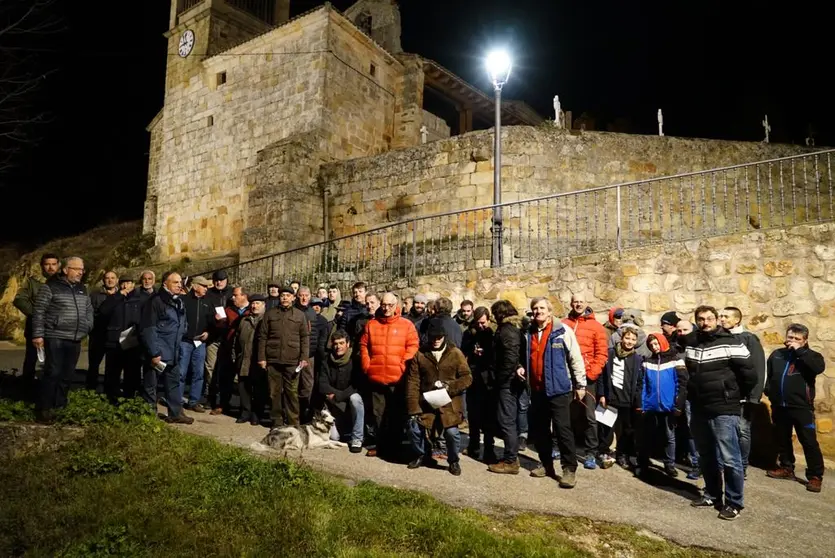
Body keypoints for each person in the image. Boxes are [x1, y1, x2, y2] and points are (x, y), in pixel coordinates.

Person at [682, 305, 756, 521]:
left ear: (717, 320)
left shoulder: (733, 342)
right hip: (699, 407)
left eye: (710, 319)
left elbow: (749, 374)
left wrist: (731, 393)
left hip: (724, 407)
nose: (706, 323)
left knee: (730, 457)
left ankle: (734, 503)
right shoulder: (693, 343)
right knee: (706, 455)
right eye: (701, 319)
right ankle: (712, 495)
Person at [524, 297, 586, 488]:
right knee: (541, 430)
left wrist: (580, 384)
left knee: (562, 429)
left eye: (542, 308)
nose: (538, 311)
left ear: (550, 311)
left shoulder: (562, 331)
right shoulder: (528, 332)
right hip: (537, 389)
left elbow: (575, 358)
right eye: (535, 308)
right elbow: (523, 356)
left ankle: (569, 469)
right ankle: (546, 464)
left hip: (559, 389)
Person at [31, 257, 94, 422]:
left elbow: (88, 310)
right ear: (66, 270)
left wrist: (87, 326)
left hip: (75, 338)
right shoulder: (50, 287)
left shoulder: (82, 288)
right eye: (77, 269)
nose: (81, 272)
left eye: (82, 269)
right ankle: (45, 408)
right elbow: (39, 312)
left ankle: (60, 407)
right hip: (55, 336)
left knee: (67, 375)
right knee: (53, 372)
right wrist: (38, 335)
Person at [765, 324, 826, 493]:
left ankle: (815, 476)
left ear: (805, 340)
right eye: (790, 337)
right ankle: (786, 468)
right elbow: (769, 375)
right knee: (782, 438)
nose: (792, 341)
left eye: (797, 339)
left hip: (801, 406)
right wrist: (768, 391)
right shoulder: (778, 354)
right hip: (780, 405)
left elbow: (817, 368)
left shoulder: (812, 356)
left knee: (809, 441)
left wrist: (800, 351)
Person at [406, 318, 472, 475]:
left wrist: (450, 386)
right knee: (413, 426)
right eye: (432, 337)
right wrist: (413, 408)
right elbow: (413, 382)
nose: (435, 341)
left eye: (439, 337)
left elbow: (467, 377)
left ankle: (453, 460)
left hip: (449, 404)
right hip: (426, 403)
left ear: (444, 337)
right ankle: (421, 454)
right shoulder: (420, 354)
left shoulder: (455, 353)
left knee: (452, 433)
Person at [359, 292, 419, 458]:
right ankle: (381, 447)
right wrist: (367, 365)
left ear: (396, 305)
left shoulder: (407, 325)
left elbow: (413, 346)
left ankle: (395, 448)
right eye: (384, 305)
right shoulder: (371, 324)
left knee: (396, 415)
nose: (386, 308)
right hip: (376, 376)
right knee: (378, 415)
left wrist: (402, 364)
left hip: (397, 378)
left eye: (390, 305)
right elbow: (363, 345)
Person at [562, 293, 608, 470]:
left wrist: (592, 373)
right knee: (565, 414)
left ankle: (590, 452)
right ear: (571, 303)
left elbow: (602, 353)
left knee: (590, 416)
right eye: (575, 302)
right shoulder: (565, 324)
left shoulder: (596, 326)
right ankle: (563, 447)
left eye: (581, 301)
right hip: (567, 376)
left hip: (588, 376)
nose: (578, 304)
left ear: (586, 303)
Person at [719, 306, 766, 478]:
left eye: (726, 316)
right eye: (721, 316)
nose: (721, 319)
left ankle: (742, 466)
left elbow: (759, 368)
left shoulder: (749, 339)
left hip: (743, 396)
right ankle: (726, 464)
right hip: (723, 395)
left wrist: (754, 395)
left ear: (737, 320)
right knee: (724, 430)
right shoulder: (719, 337)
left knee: (742, 430)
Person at [140, 271, 193, 424]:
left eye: (180, 282)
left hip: (174, 351)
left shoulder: (178, 301)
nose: (179, 285)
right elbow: (148, 329)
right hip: (158, 353)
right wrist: (154, 352)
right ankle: (149, 415)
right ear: (165, 284)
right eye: (175, 282)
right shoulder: (155, 301)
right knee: (151, 384)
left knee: (173, 383)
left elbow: (181, 322)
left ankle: (175, 413)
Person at [635, 333, 687, 478]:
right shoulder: (647, 362)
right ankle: (642, 463)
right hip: (650, 406)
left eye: (656, 344)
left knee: (669, 436)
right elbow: (642, 384)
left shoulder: (676, 361)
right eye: (651, 345)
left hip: (669, 406)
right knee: (646, 436)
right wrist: (641, 404)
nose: (654, 347)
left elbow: (682, 385)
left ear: (663, 343)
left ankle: (669, 464)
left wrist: (678, 405)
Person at [256, 286, 309, 427]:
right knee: (274, 393)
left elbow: (305, 337)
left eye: (288, 295)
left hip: (293, 361)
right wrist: (262, 357)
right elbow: (262, 337)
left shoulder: (299, 315)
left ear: (293, 297)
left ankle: (293, 423)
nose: (285, 298)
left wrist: (304, 358)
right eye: (282, 295)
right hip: (273, 360)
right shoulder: (270, 314)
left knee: (292, 393)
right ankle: (277, 421)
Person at [486, 300, 525, 474]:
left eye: (495, 314)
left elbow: (510, 358)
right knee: (507, 419)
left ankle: (511, 460)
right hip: (508, 381)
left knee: (507, 420)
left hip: (507, 383)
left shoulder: (508, 331)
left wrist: (500, 380)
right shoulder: (512, 329)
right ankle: (510, 456)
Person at [13, 253, 59, 395]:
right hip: (35, 328)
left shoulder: (63, 282)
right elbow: (19, 300)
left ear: (58, 265)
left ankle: (51, 391)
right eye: (47, 264)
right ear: (42, 266)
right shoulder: (33, 282)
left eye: (53, 264)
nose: (50, 267)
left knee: (55, 361)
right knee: (31, 360)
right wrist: (37, 314)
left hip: (56, 329)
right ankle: (26, 391)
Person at [598, 328, 643, 469]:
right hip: (611, 399)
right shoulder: (610, 353)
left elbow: (639, 381)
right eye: (627, 338)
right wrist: (602, 394)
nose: (629, 342)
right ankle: (604, 452)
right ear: (621, 338)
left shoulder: (638, 359)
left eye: (633, 339)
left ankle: (622, 454)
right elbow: (602, 376)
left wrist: (637, 400)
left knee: (627, 430)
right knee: (607, 428)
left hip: (628, 401)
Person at [98, 276, 144, 403]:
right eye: (123, 283)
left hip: (132, 340)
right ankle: (111, 398)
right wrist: (119, 296)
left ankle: (130, 397)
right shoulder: (113, 298)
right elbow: (103, 311)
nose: (126, 286)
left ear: (133, 284)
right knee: (112, 372)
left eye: (128, 282)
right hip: (114, 340)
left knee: (132, 372)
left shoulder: (139, 299)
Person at [319, 329, 365, 452]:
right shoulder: (326, 361)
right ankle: (345, 431)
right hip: (333, 402)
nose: (338, 347)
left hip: (346, 400)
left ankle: (357, 438)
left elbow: (357, 384)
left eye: (341, 343)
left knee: (356, 398)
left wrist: (338, 396)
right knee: (335, 437)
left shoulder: (355, 361)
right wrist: (335, 397)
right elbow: (322, 384)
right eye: (335, 343)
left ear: (348, 344)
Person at [461, 306, 496, 462]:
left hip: (488, 381)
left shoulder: (493, 334)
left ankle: (489, 450)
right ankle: (474, 446)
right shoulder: (469, 333)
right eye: (478, 323)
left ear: (488, 320)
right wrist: (471, 354)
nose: (481, 326)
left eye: (483, 322)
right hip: (474, 379)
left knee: (488, 419)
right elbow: (463, 353)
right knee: (473, 416)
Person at [178, 275, 215, 412]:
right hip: (185, 341)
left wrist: (208, 332)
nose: (206, 289)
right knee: (181, 372)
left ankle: (194, 401)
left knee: (198, 373)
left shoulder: (208, 301)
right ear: (195, 286)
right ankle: (178, 401)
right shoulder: (183, 300)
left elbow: (212, 321)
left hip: (200, 342)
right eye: (203, 286)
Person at [234, 293, 267, 425]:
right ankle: (245, 412)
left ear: (264, 305)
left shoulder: (267, 320)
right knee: (243, 387)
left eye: (257, 303)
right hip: (243, 359)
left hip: (259, 361)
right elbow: (237, 339)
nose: (254, 306)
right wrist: (236, 356)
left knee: (259, 389)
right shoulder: (244, 320)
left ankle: (256, 414)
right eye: (253, 303)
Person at [676, 319, 701, 480]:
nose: (682, 333)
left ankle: (699, 464)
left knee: (695, 431)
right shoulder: (676, 349)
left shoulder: (700, 347)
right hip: (681, 395)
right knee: (685, 429)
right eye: (679, 330)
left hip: (696, 396)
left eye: (685, 330)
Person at [87, 270, 118, 390]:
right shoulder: (95, 295)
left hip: (114, 335)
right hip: (98, 334)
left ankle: (109, 388)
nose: (110, 280)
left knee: (112, 365)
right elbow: (90, 313)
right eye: (107, 278)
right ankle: (91, 389)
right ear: (103, 280)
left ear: (117, 280)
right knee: (94, 364)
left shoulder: (121, 294)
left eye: (112, 278)